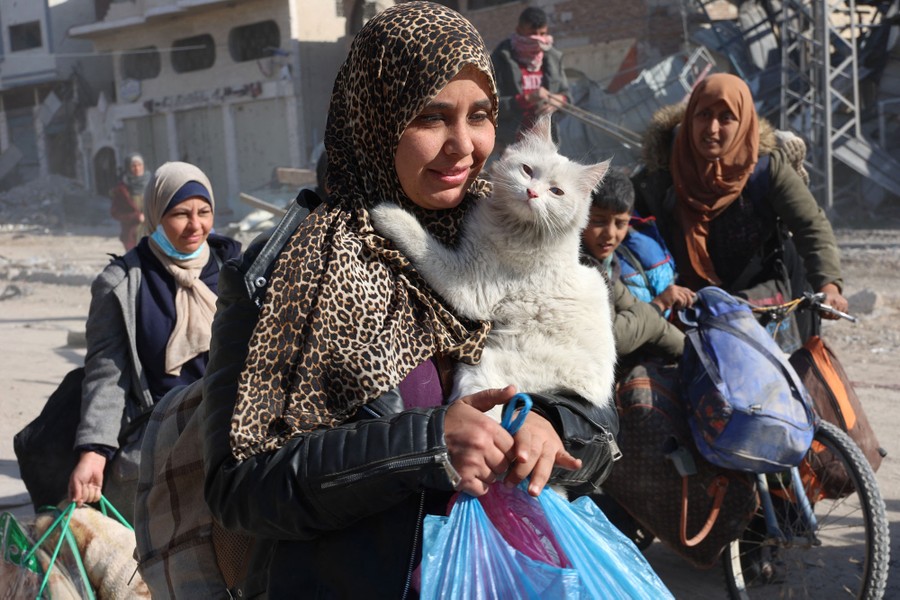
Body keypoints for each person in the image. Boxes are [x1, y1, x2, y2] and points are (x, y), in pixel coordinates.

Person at [200, 2, 618, 597]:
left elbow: (600, 422)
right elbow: (240, 489)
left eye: (479, 116)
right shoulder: (283, 273)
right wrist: (423, 445)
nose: (463, 145)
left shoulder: (519, 226)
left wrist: (551, 425)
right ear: (378, 116)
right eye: (431, 117)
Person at [69, 161, 241, 522]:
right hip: (161, 433)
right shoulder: (123, 283)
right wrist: (94, 451)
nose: (196, 226)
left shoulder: (237, 270)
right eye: (180, 214)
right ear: (155, 215)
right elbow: (106, 372)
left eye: (204, 212)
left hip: (231, 427)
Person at [631, 73, 848, 345]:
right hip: (686, 304)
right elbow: (621, 232)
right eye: (703, 115)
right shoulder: (658, 176)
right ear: (690, 118)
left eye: (726, 118)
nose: (711, 128)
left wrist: (829, 286)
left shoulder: (766, 170)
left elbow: (810, 225)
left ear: (743, 121)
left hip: (762, 300)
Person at [581, 167, 687, 367]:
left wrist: (689, 350)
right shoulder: (580, 265)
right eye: (598, 221)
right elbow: (614, 339)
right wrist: (659, 304)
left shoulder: (607, 263)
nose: (610, 234)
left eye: (620, 224)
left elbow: (634, 307)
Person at [491, 6, 570, 154]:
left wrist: (558, 101)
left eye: (543, 34)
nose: (538, 39)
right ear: (519, 30)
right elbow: (490, 106)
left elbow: (567, 98)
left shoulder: (553, 58)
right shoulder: (500, 59)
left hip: (546, 144)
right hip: (509, 146)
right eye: (532, 34)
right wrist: (526, 99)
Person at [110, 153, 150, 251]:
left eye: (139, 165)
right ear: (128, 168)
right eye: (133, 166)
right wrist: (135, 216)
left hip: (152, 234)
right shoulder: (122, 189)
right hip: (131, 236)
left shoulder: (152, 184)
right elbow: (115, 213)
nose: (137, 168)